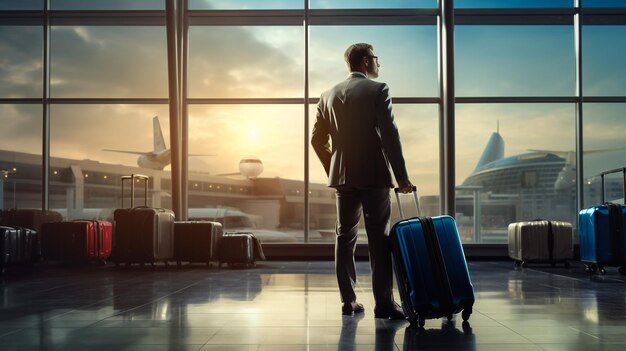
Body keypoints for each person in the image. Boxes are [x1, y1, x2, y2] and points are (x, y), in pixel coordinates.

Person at [311, 43, 413, 319]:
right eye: (377, 59)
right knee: (379, 239)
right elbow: (390, 136)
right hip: (374, 174)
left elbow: (316, 140)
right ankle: (384, 304)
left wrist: (335, 166)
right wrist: (401, 178)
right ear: (367, 61)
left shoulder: (327, 94)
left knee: (345, 237)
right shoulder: (378, 89)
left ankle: (348, 301)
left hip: (343, 177)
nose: (379, 64)